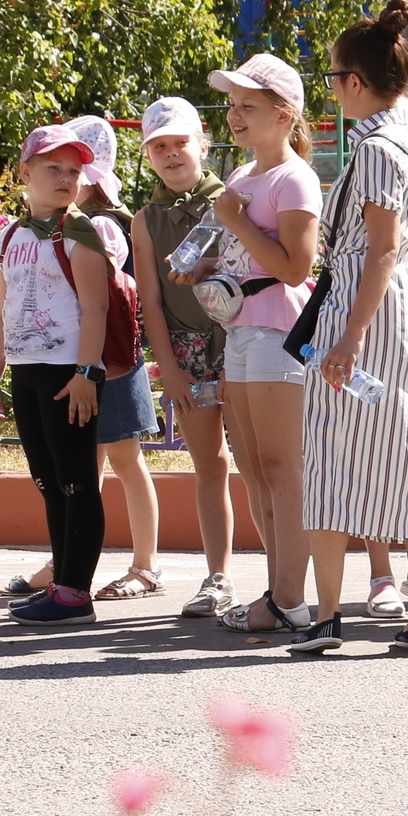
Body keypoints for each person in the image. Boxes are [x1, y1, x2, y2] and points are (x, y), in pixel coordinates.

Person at [288, 0, 408, 656]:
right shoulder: (406, 141)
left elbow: (382, 248)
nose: (330, 88)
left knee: (341, 456)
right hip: (397, 308)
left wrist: (351, 337)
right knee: (405, 456)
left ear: (354, 81)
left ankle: (341, 615)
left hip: (370, 309)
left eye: (333, 76)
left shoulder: (379, 148)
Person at [202, 53, 322, 635]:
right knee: (254, 467)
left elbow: (297, 268)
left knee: (280, 467)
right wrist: (204, 265)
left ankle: (290, 597)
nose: (234, 115)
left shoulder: (295, 178)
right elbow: (242, 255)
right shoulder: (242, 177)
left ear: (284, 114)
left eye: (248, 105)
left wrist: (239, 223)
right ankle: (279, 592)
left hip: (278, 331)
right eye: (232, 104)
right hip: (241, 330)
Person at [0, 123, 109, 625]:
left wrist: (87, 373)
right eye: (53, 167)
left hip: (69, 375)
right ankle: (61, 584)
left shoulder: (79, 232)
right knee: (48, 481)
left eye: (74, 171)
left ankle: (76, 593)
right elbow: (0, 310)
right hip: (27, 371)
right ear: (25, 172)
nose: (65, 178)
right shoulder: (10, 235)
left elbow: (97, 309)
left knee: (77, 482)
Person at [131, 96, 237, 617]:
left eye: (180, 143)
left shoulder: (234, 200)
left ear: (203, 145)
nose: (172, 154)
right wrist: (169, 369)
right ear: (148, 154)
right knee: (209, 464)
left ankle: (285, 580)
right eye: (159, 146)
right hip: (186, 350)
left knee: (265, 463)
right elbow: (150, 299)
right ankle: (219, 578)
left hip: (243, 343)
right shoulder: (145, 220)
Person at [66, 114, 167, 604]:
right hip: (90, 358)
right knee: (86, 464)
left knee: (125, 460)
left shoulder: (102, 224)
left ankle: (146, 565)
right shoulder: (85, 220)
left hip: (112, 360)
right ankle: (67, 558)